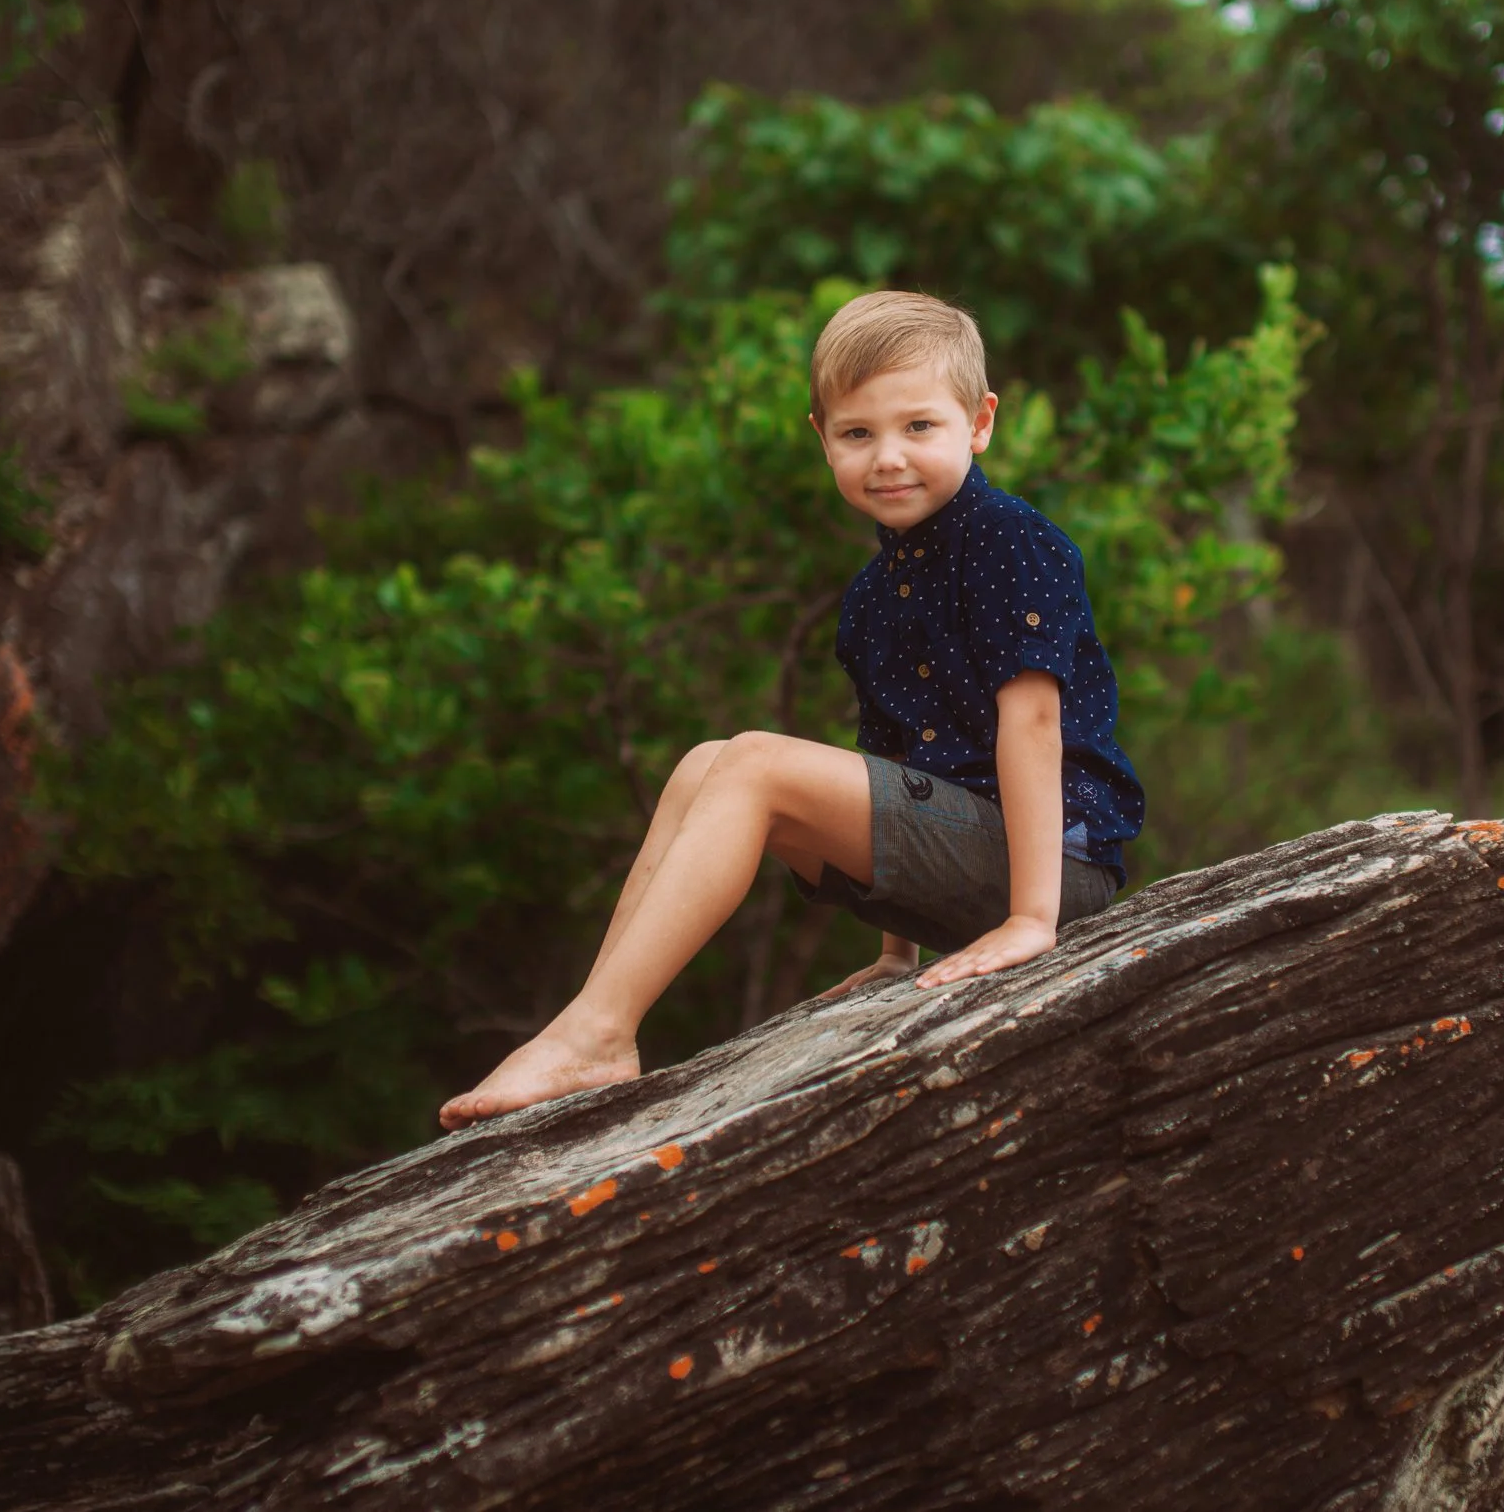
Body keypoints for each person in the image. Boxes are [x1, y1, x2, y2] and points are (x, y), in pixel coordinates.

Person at [438, 290, 1144, 1128]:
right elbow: (899, 764)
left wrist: (1032, 918)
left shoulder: (1011, 540)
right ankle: (596, 1024)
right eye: (857, 433)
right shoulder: (872, 597)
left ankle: (596, 1032)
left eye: (919, 426)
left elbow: (1032, 728)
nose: (888, 456)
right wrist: (896, 950)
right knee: (705, 761)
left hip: (1055, 874)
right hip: (967, 862)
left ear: (979, 422)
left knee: (755, 765)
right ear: (822, 439)